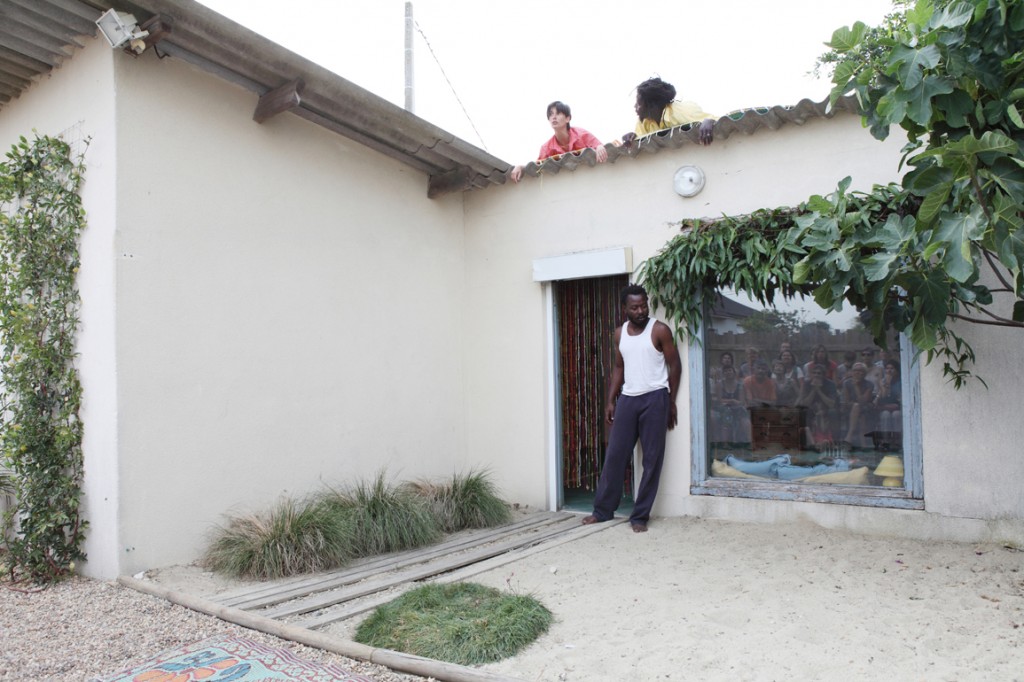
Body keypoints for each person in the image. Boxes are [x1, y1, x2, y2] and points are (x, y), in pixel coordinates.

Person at [582, 284, 681, 533]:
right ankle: (602, 511)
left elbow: (675, 365)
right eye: (634, 307)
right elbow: (618, 368)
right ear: (624, 308)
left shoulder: (659, 330)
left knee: (652, 459)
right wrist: (610, 399)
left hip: (655, 399)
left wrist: (670, 402)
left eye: (644, 305)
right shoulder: (619, 334)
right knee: (615, 456)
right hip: (628, 399)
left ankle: (640, 516)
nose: (640, 310)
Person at [510, 101, 608, 183]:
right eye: (551, 114)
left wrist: (599, 147)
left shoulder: (582, 134)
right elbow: (538, 168)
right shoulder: (546, 148)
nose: (554, 117)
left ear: (568, 118)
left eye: (558, 113)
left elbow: (600, 146)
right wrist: (521, 167)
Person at [624, 77, 715, 145]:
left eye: (639, 104)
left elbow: (717, 120)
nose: (635, 106)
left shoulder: (679, 112)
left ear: (652, 106)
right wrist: (631, 137)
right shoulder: (644, 121)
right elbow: (640, 140)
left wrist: (709, 121)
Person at [840, 362, 876, 447]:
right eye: (855, 370)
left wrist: (856, 387)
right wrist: (854, 404)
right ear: (852, 372)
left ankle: (849, 435)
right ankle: (863, 443)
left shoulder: (869, 384)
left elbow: (863, 401)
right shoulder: (846, 383)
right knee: (857, 410)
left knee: (858, 408)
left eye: (860, 371)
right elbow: (846, 401)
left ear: (865, 373)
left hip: (866, 408)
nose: (857, 373)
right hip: (850, 409)